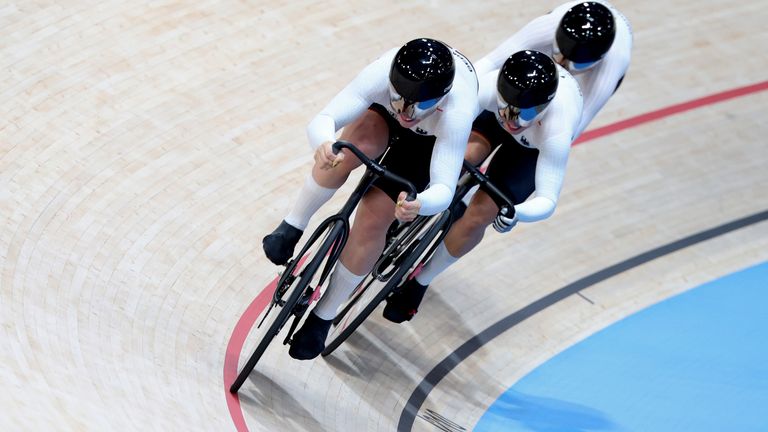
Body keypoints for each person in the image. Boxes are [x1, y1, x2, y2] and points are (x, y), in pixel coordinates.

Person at [383, 0, 632, 323]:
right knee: (463, 153)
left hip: (545, 122)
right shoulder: (545, 29)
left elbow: (568, 136)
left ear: (595, 60)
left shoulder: (609, 66)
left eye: (573, 63)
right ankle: (411, 209)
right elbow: (486, 66)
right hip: (514, 93)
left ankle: (420, 281)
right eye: (558, 54)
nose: (563, 64)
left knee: (482, 213)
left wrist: (514, 209)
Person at [262, 38, 481, 359]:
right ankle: (291, 225)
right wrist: (324, 143)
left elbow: (444, 188)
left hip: (428, 141)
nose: (408, 112)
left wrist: (420, 204)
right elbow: (325, 119)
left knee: (374, 218)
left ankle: (323, 317)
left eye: (418, 105)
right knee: (345, 151)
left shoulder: (457, 111)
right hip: (381, 114)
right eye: (401, 99)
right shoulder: (380, 74)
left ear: (442, 99)